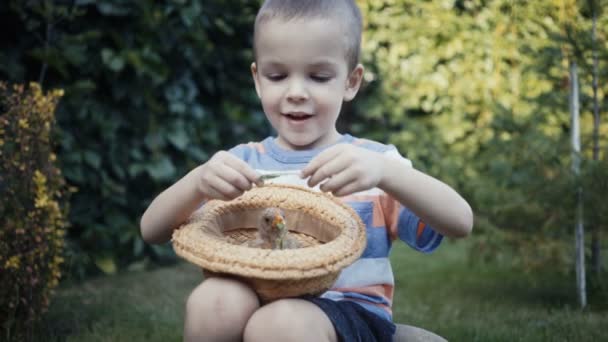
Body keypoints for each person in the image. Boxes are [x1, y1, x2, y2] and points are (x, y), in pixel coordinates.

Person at [140, 0, 473, 341]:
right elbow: (151, 230)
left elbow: (460, 222)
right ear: (258, 80)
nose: (296, 92)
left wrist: (388, 173)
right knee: (213, 300)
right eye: (277, 75)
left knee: (280, 322)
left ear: (350, 81)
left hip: (347, 316)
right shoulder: (241, 164)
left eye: (318, 76)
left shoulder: (369, 164)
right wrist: (197, 182)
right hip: (253, 303)